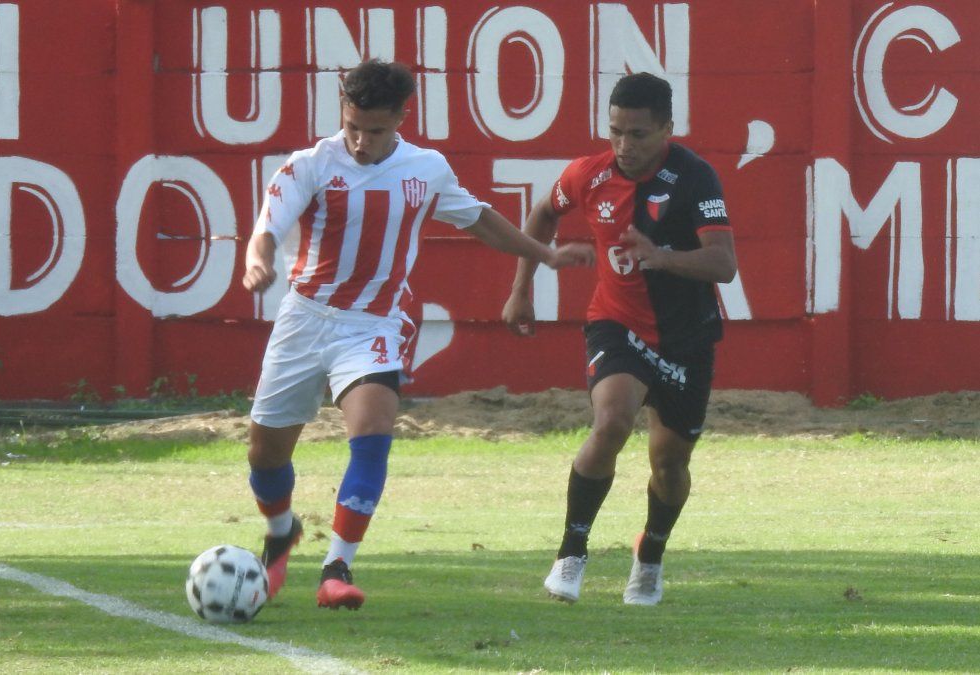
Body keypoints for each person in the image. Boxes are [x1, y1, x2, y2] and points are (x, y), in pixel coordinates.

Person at [242, 59, 594, 611]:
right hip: (305, 318)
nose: (360, 141)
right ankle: (282, 530)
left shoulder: (424, 170)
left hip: (374, 322)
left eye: (375, 130)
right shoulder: (310, 165)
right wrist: (256, 263)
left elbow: (479, 219)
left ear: (402, 118)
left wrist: (544, 254)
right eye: (352, 126)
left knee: (374, 425)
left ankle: (337, 566)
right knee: (265, 456)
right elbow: (267, 230)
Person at [502, 72, 737, 606]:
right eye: (615, 132)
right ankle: (571, 553)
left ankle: (649, 558)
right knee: (610, 422)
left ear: (668, 129)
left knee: (670, 464)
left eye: (638, 135)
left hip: (686, 339)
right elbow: (543, 214)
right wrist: (522, 288)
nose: (624, 147)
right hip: (618, 323)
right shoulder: (589, 174)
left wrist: (664, 257)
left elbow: (724, 264)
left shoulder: (696, 178)